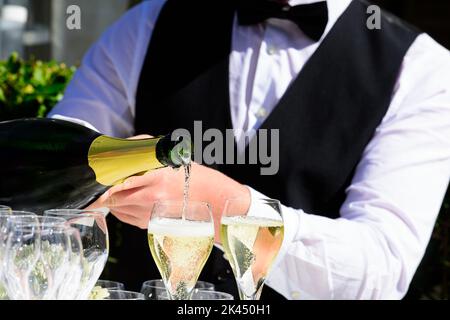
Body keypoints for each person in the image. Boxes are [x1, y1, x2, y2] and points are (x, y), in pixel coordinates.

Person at [49, 0, 450, 299]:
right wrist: (91, 175)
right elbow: (54, 171)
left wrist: (224, 207)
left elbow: (380, 271)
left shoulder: (420, 68)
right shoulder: (146, 25)